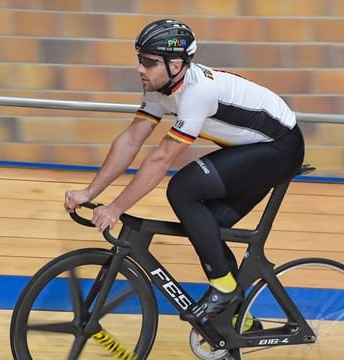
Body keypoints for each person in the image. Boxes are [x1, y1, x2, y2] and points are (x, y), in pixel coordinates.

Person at [64, 18, 305, 324]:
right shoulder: (160, 89)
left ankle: (224, 288)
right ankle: (235, 318)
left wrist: (115, 208)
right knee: (206, 229)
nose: (140, 69)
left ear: (176, 65)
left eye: (149, 62)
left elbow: (160, 159)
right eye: (140, 60)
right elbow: (131, 140)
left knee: (183, 188)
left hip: (280, 147)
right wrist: (90, 192)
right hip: (254, 149)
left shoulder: (197, 93)